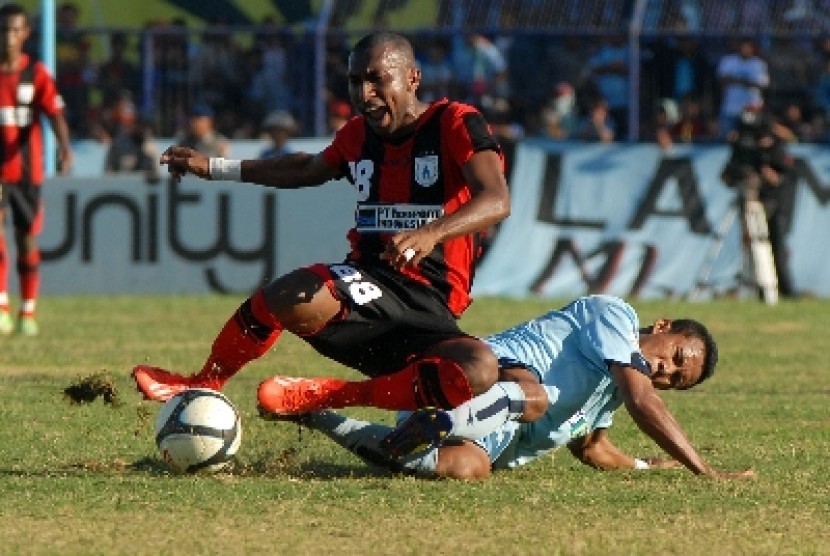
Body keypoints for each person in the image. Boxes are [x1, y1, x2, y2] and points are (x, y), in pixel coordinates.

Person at [133, 32, 511, 418]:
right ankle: (204, 382)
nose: (365, 95)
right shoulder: (358, 135)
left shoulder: (454, 122)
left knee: (479, 368)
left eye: (377, 79)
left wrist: (433, 232)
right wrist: (214, 167)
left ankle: (324, 397)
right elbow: (306, 169)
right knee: (289, 293)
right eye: (354, 82)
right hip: (370, 285)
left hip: (432, 306)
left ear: (412, 78)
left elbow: (497, 199)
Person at [271, 295, 755, 481]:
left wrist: (648, 466)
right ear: (664, 324)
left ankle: (317, 410)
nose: (665, 371)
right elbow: (642, 399)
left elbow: (593, 448)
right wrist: (704, 470)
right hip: (475, 372)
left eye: (675, 379)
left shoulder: (609, 391)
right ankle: (437, 420)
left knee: (467, 469)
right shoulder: (617, 318)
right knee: (534, 395)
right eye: (674, 356)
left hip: (483, 431)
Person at [0, 3, 73, 335]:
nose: (9, 37)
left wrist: (64, 147)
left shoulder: (37, 73)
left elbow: (55, 113)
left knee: (25, 239)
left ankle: (27, 311)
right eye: (4, 30)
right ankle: (1, 304)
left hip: (27, 174)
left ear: (26, 34)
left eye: (15, 30)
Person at [721, 102, 798, 299]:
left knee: (775, 247)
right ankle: (752, 289)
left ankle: (784, 291)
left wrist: (764, 169)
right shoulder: (742, 146)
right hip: (750, 201)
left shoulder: (774, 146)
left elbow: (782, 177)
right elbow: (728, 174)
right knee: (749, 246)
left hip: (771, 202)